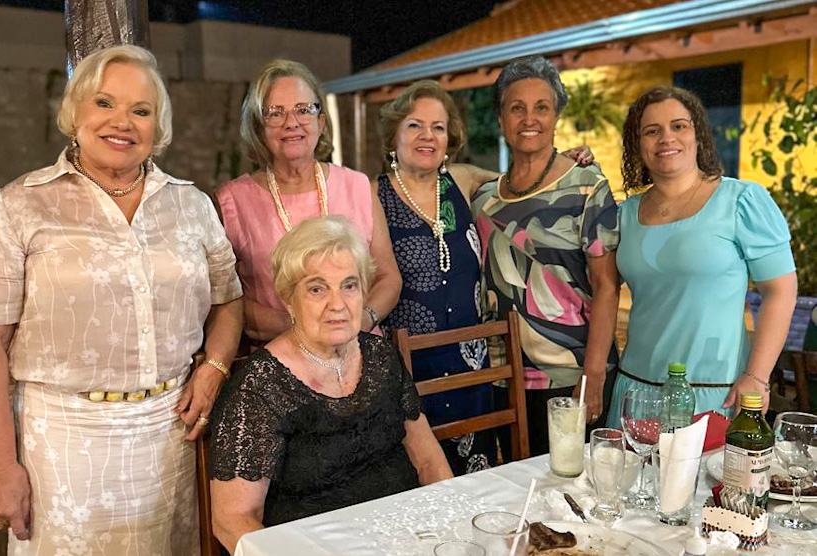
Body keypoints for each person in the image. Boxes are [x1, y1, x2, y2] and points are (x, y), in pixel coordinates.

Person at [0, 45, 243, 555]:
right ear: (75, 113)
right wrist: (0, 469)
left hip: (172, 438)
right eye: (104, 103)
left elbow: (228, 299)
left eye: (141, 110)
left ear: (158, 126)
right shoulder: (18, 207)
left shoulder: (192, 205)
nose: (122, 122)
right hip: (63, 447)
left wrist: (216, 367)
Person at [376, 80, 596, 470]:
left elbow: (527, 181)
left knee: (475, 474)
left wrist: (564, 163)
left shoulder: (461, 181)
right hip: (407, 371)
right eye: (414, 125)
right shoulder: (371, 195)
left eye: (438, 127)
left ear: (450, 139)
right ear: (394, 134)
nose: (428, 135)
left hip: (472, 367)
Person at [208, 216, 452, 552]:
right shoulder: (260, 386)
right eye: (317, 288)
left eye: (349, 285)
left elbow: (429, 462)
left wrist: (448, 531)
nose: (337, 304)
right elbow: (232, 520)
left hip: (409, 537)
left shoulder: (380, 355)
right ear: (289, 299)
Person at [606, 86, 797, 426]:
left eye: (679, 126)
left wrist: (756, 376)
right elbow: (601, 289)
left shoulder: (741, 201)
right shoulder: (624, 215)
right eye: (651, 131)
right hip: (635, 392)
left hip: (716, 395)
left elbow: (780, 291)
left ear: (698, 135)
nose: (666, 138)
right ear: (637, 144)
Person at [472, 56, 620, 457]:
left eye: (542, 107)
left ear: (556, 116)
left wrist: (593, 375)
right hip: (504, 375)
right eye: (516, 108)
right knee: (514, 484)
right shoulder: (483, 199)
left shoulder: (586, 186)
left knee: (573, 486)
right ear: (501, 118)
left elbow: (607, 286)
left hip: (571, 374)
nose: (529, 119)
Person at [215, 60, 400, 343]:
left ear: (321, 122)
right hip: (278, 355)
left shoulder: (358, 187)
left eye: (303, 110)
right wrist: (302, 330)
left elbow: (388, 277)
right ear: (259, 127)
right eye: (275, 113)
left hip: (358, 347)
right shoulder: (232, 201)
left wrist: (360, 321)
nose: (291, 123)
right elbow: (225, 297)